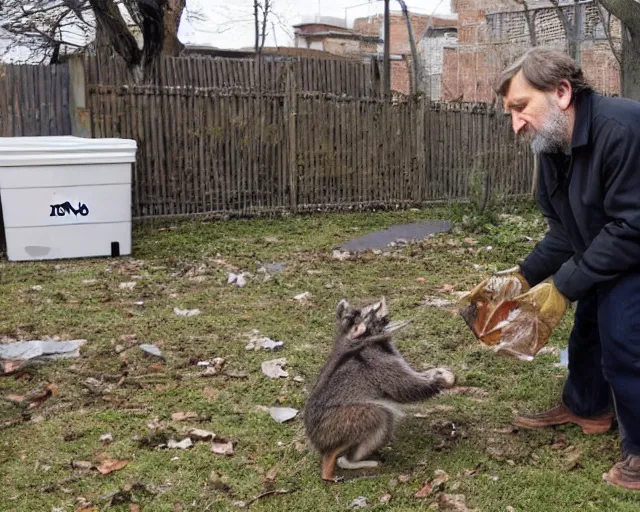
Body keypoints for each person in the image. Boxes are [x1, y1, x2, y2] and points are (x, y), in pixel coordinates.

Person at [490, 46, 640, 491]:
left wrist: (565, 285)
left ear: (561, 92)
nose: (515, 124)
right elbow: (564, 230)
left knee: (625, 336)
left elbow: (633, 225)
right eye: (509, 112)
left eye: (520, 107)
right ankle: (587, 406)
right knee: (589, 325)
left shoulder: (623, 128)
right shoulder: (554, 144)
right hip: (615, 245)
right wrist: (521, 277)